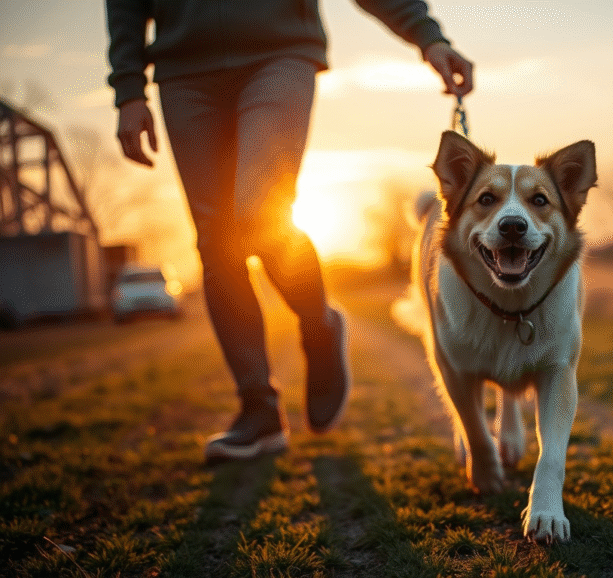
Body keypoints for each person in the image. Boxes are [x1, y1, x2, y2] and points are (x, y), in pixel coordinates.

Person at [105, 0, 473, 463]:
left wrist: (429, 36)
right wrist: (129, 89)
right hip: (184, 69)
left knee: (259, 215)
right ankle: (258, 412)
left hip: (278, 50)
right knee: (216, 242)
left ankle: (319, 324)